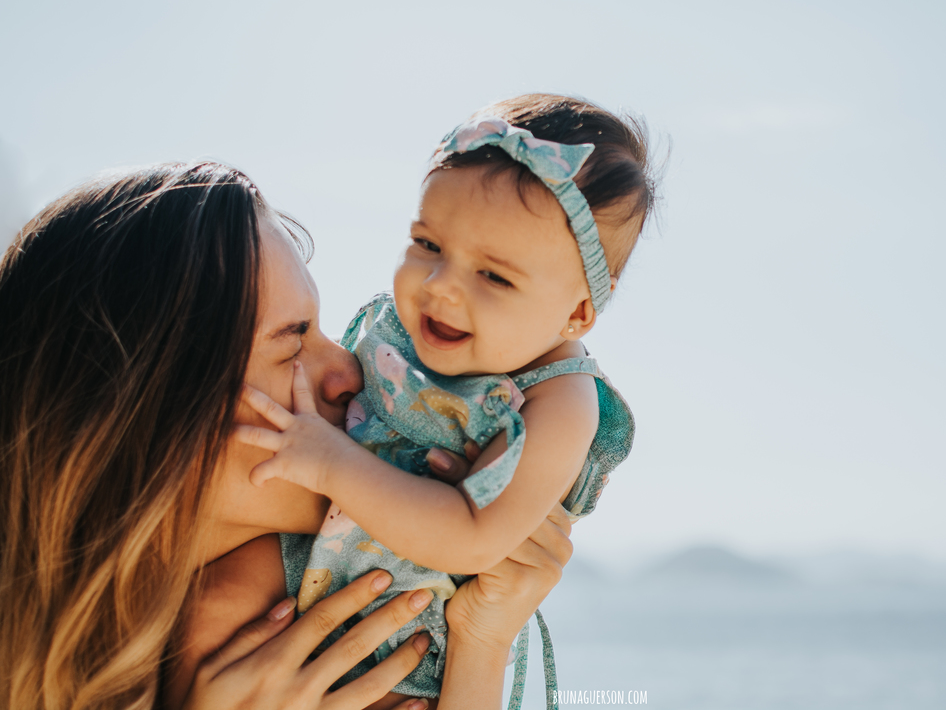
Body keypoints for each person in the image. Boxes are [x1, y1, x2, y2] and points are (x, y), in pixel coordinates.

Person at [0, 162, 573, 710]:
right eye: (293, 341)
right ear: (149, 412)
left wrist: (481, 639)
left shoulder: (323, 613)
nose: (352, 374)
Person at [233, 95, 659, 699]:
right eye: (428, 245)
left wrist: (330, 462)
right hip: (312, 549)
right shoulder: (413, 332)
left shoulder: (564, 402)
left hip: (406, 620)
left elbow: (472, 537)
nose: (441, 287)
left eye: (494, 276)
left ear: (579, 311)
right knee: (216, 596)